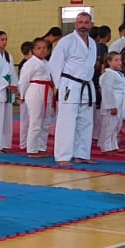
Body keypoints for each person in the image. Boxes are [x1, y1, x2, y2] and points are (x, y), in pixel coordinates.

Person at [49, 11, 97, 166]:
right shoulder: (67, 41)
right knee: (67, 122)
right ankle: (62, 156)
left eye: (86, 22)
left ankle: (81, 154)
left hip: (86, 86)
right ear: (75, 24)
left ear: (91, 24)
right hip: (69, 85)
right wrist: (59, 86)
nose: (83, 25)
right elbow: (54, 64)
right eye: (80, 22)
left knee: (85, 122)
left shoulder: (92, 43)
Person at [18, 37, 53, 156]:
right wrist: (21, 95)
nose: (42, 50)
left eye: (44, 48)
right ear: (33, 50)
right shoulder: (30, 63)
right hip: (34, 91)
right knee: (35, 121)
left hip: (46, 91)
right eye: (39, 48)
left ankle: (41, 147)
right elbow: (23, 80)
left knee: (45, 122)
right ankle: (32, 150)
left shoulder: (46, 63)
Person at [96, 52, 125, 153]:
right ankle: (106, 146)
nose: (119, 62)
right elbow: (107, 90)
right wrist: (112, 106)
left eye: (120, 60)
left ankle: (114, 145)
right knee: (109, 125)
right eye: (116, 60)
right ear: (109, 62)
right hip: (113, 101)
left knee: (117, 125)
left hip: (120, 100)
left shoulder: (119, 73)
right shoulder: (108, 74)